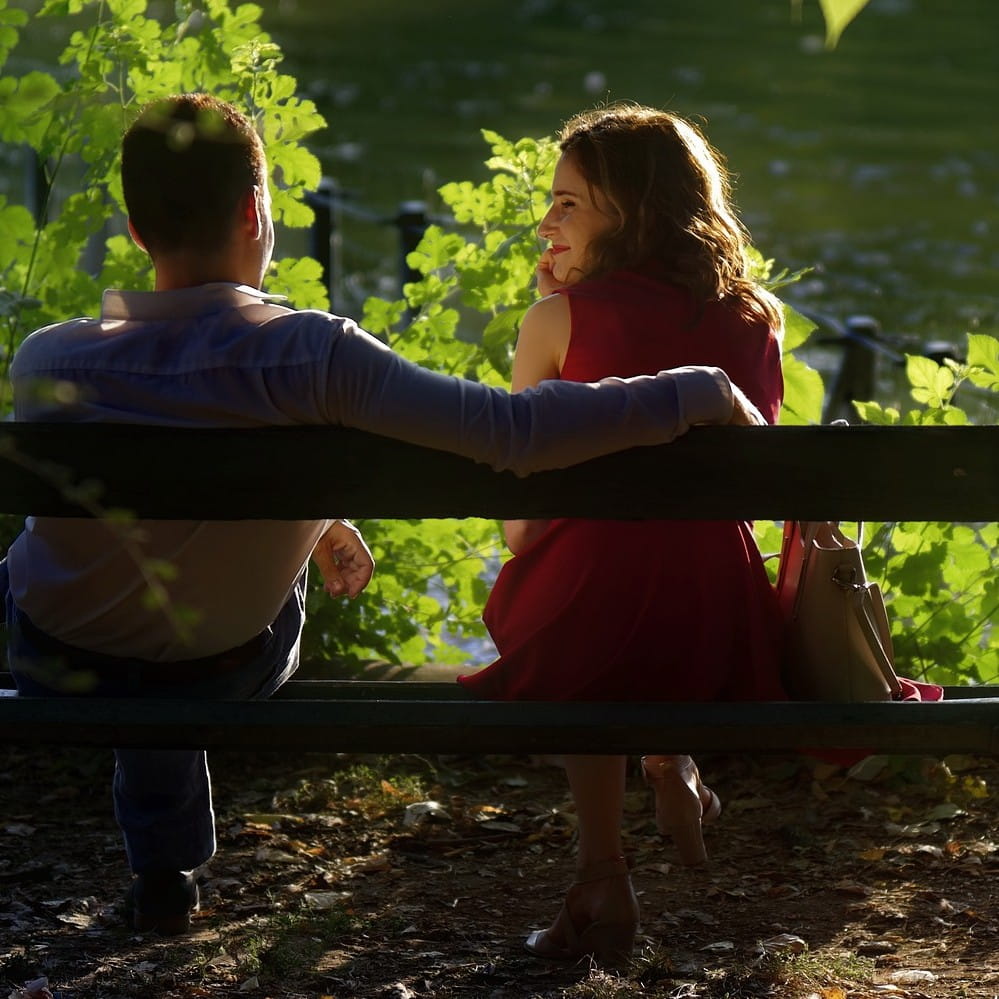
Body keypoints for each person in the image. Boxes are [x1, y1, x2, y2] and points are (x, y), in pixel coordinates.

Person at [1, 93, 765, 936]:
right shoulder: (311, 353)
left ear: (137, 230)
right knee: (175, 625)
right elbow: (513, 433)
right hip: (224, 660)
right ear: (259, 211)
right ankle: (164, 862)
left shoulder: (50, 357)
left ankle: (161, 871)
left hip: (51, 653)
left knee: (106, 594)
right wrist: (693, 387)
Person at [458, 103, 787, 967]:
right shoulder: (755, 319)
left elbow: (524, 533)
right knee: (649, 564)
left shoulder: (553, 323)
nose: (545, 221)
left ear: (631, 210)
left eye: (567, 202)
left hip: (588, 626)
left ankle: (602, 871)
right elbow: (742, 494)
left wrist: (553, 318)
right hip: (715, 622)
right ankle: (669, 759)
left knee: (575, 585)